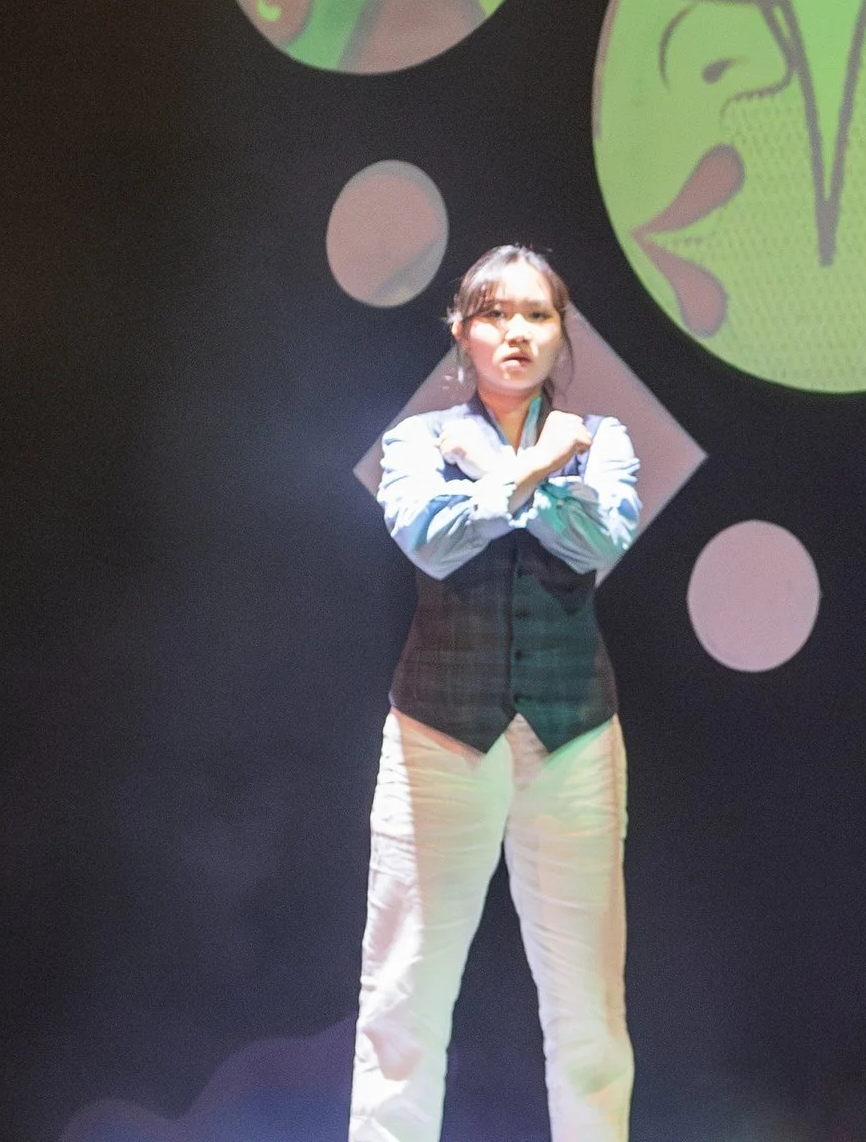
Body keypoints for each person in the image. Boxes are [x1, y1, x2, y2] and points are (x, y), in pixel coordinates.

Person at [351, 246, 641, 1142]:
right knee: (403, 1000)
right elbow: (429, 541)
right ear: (462, 330)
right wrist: (539, 469)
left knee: (589, 1014)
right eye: (494, 313)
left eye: (537, 314)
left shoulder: (603, 439)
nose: (517, 331)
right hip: (439, 732)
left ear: (561, 332)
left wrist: (500, 480)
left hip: (573, 735)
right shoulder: (417, 440)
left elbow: (603, 539)